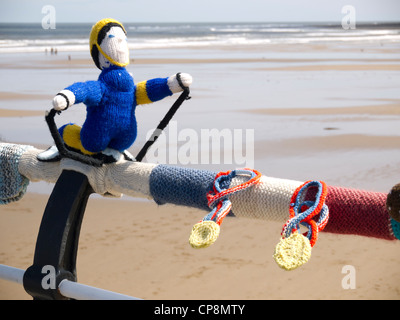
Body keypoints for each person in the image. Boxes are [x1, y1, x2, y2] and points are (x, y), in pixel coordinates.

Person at [38, 18, 192, 163]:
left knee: (84, 138)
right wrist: (69, 95)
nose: (120, 42)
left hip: (122, 139)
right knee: (82, 141)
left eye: (124, 40)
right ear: (98, 50)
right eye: (112, 37)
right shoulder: (103, 86)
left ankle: (114, 150)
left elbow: (146, 91)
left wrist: (170, 84)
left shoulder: (129, 88)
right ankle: (60, 142)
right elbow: (86, 89)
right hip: (96, 140)